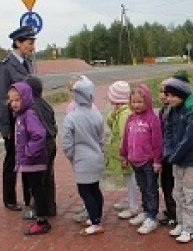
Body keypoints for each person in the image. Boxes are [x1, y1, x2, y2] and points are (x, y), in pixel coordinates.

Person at [0, 25, 36, 211]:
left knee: (29, 158)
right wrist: (5, 127)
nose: (32, 46)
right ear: (18, 43)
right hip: (13, 122)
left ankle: (29, 196)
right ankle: (9, 198)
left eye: (33, 42)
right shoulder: (5, 67)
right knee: (12, 160)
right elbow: (0, 98)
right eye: (29, 42)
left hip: (28, 121)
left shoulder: (28, 63)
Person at [162, 76, 193, 243]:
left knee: (190, 194)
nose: (169, 99)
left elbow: (192, 136)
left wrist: (176, 154)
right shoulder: (172, 111)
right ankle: (181, 223)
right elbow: (167, 132)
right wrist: (168, 151)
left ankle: (190, 229)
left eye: (172, 95)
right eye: (167, 95)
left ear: (181, 94)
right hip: (177, 159)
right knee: (178, 192)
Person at [62, 76, 106, 236]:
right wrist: (101, 152)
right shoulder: (97, 115)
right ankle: (97, 217)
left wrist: (71, 156)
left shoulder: (71, 117)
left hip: (81, 160)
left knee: (85, 191)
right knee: (95, 189)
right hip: (96, 158)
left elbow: (67, 142)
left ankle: (95, 222)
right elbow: (102, 138)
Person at [7, 81, 51, 235]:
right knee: (34, 189)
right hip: (28, 161)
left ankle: (42, 220)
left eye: (17, 100)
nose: (13, 104)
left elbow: (39, 135)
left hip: (34, 161)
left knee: (37, 189)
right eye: (11, 100)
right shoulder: (19, 116)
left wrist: (29, 152)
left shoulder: (29, 115)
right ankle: (40, 217)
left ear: (25, 98)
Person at [120, 84, 163, 234]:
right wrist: (123, 155)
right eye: (134, 102)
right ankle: (145, 211)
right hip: (134, 161)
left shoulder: (152, 120)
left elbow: (157, 142)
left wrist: (157, 160)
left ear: (148, 102)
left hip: (149, 162)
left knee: (151, 189)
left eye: (140, 102)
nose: (137, 105)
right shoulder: (130, 119)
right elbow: (125, 138)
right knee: (143, 188)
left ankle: (152, 216)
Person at [104, 81, 140, 221]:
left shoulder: (125, 114)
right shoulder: (120, 112)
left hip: (126, 154)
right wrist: (113, 115)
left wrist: (123, 155)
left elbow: (124, 136)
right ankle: (131, 200)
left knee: (130, 178)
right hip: (126, 153)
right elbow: (110, 122)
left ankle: (133, 205)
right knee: (128, 178)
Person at [24, 76, 58, 219]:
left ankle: (40, 210)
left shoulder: (31, 107)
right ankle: (50, 207)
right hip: (50, 144)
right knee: (48, 178)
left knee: (38, 181)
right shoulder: (45, 104)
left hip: (40, 147)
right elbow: (53, 124)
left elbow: (34, 131)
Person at [156, 78, 177, 227]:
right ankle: (170, 211)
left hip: (173, 155)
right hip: (164, 154)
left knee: (172, 184)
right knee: (165, 184)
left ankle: (175, 214)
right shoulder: (162, 111)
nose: (163, 95)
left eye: (166, 92)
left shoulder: (174, 111)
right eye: (161, 92)